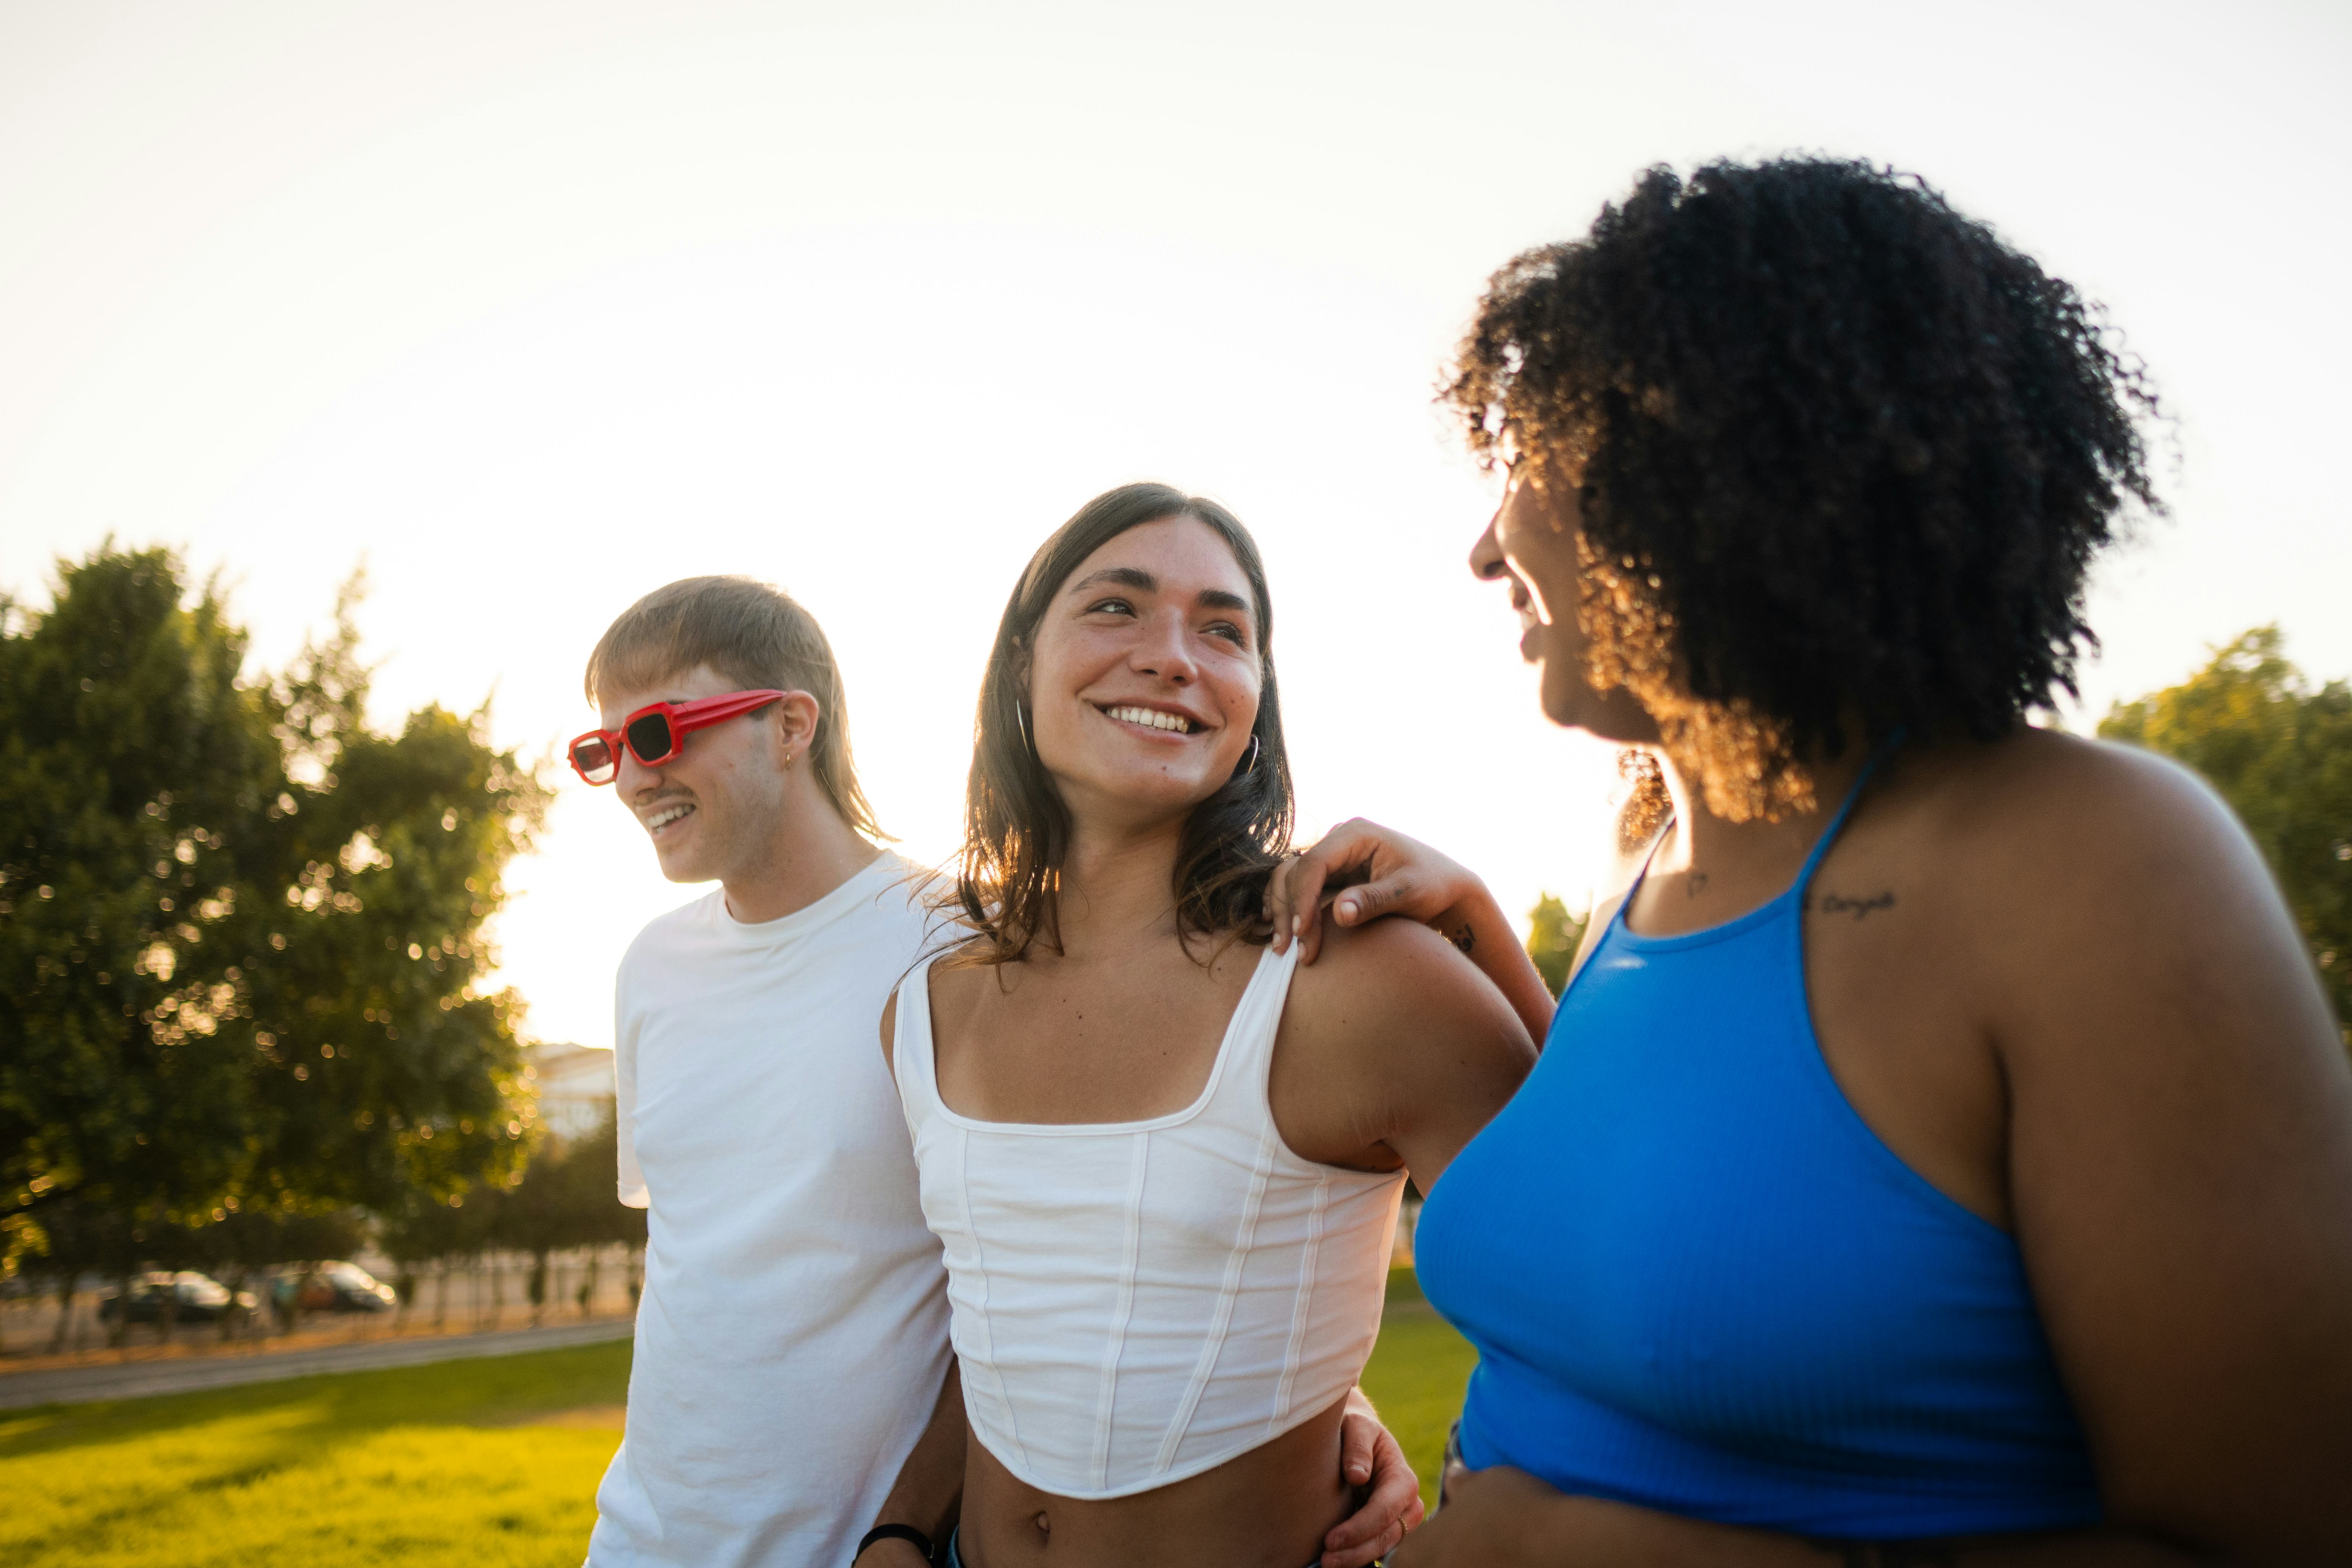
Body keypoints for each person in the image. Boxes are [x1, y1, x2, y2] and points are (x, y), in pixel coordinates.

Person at [1268, 159, 2352, 1565]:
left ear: (1715, 466)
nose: (1485, 550)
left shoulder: (2092, 863)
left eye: (1528, 460)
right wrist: (1479, 920)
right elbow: (1669, 1190)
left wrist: (1586, 1548)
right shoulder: (1646, 870)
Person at [574, 575, 1421, 1568]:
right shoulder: (650, 969)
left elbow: (1133, 1236)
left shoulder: (972, 953)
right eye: (604, 750)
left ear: (793, 725)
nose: (632, 779)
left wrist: (1335, 1405)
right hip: (639, 1541)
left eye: (657, 735)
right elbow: (707, 1263)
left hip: (870, 1549)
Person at [882, 483, 1548, 1568]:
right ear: (1021, 661)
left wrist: (1479, 920)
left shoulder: (1352, 978)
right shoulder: (926, 1011)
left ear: (1256, 699)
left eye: (1224, 631)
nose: (1172, 657)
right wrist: (902, 1531)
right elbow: (1014, 1324)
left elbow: (1612, 1287)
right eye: (1116, 607)